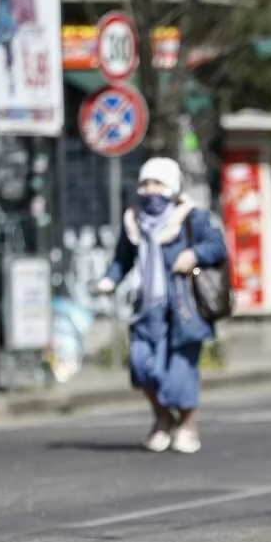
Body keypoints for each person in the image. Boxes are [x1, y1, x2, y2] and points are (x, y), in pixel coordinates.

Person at [96, 157, 227, 454]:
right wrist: (109, 280)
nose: (150, 190)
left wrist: (193, 255)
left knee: (180, 374)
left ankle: (187, 426)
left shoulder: (192, 218)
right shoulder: (134, 221)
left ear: (172, 186)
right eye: (145, 183)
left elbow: (217, 246)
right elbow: (122, 258)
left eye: (157, 183)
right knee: (141, 367)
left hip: (184, 308)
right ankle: (162, 419)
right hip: (146, 309)